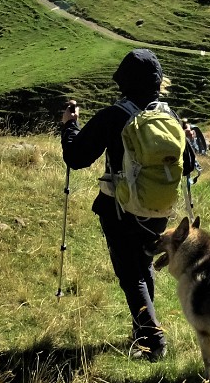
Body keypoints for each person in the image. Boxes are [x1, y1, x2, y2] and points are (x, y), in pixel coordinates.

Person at [60, 49, 190, 361]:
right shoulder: (169, 117)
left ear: (124, 81)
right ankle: (142, 331)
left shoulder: (114, 117)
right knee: (142, 265)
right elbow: (191, 161)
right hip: (159, 208)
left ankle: (152, 340)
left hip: (119, 209)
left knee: (130, 274)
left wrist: (68, 126)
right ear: (157, 82)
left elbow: (76, 157)